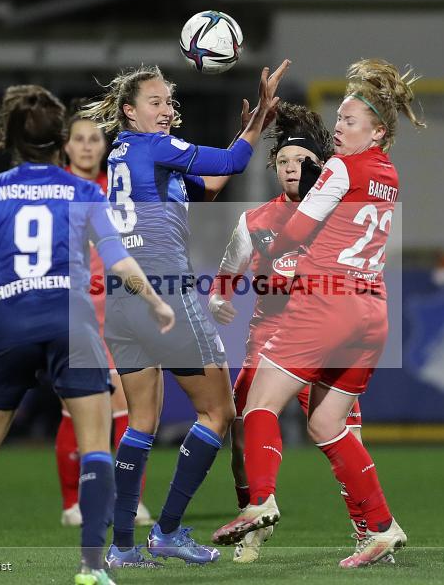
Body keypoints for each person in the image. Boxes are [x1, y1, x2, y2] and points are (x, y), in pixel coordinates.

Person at [0, 85, 174, 585]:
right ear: (60, 139)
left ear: (9, 138)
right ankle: (92, 568)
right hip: (71, 323)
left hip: (10, 322)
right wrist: (154, 301)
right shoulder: (84, 192)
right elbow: (116, 256)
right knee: (96, 445)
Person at [212, 59, 425, 568]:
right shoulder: (388, 174)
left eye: (349, 121)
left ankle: (260, 502)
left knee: (259, 404)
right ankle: (381, 528)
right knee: (329, 424)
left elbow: (295, 231)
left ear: (377, 131)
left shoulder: (341, 168)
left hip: (328, 302)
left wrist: (276, 251)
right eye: (339, 119)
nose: (339, 128)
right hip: (372, 311)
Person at [79, 59, 289, 567]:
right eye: (154, 101)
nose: (166, 109)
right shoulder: (155, 147)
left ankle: (122, 547)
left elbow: (210, 185)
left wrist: (247, 128)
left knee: (141, 421)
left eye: (169, 101)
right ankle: (167, 531)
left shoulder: (131, 158)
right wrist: (259, 119)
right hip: (165, 292)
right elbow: (231, 162)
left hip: (123, 301)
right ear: (129, 112)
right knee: (218, 414)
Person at [209, 102, 375, 563]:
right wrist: (219, 300)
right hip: (269, 338)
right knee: (242, 430)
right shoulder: (254, 221)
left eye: (301, 160)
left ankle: (368, 530)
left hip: (326, 337)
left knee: (345, 437)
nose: (290, 168)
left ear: (321, 166)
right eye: (283, 160)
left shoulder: (340, 215)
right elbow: (225, 275)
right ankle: (254, 522)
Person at [56, 107, 154, 529]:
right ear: (66, 146)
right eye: (79, 139)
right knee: (76, 407)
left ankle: (128, 500)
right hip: (71, 311)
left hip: (117, 310)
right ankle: (73, 502)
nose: (87, 146)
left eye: (94, 139)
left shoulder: (116, 190)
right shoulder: (53, 192)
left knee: (126, 405)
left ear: (104, 147)